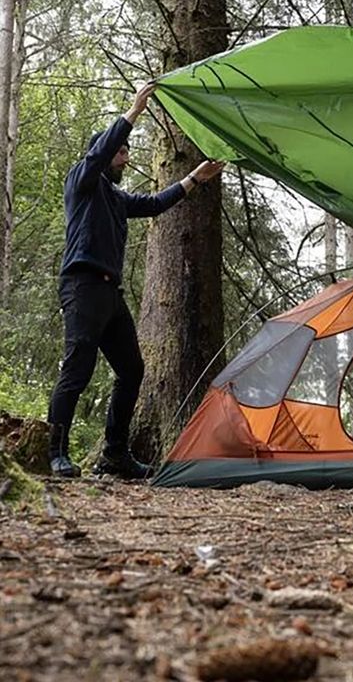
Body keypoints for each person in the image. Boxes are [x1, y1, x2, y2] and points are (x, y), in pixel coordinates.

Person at [48, 82, 224, 479]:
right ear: (106, 153)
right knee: (77, 368)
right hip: (82, 286)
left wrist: (195, 178)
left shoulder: (114, 197)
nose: (125, 158)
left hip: (110, 293)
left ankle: (115, 453)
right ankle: (55, 451)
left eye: (126, 152)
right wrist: (133, 112)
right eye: (121, 152)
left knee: (132, 370)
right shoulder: (83, 181)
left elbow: (155, 204)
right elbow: (99, 153)